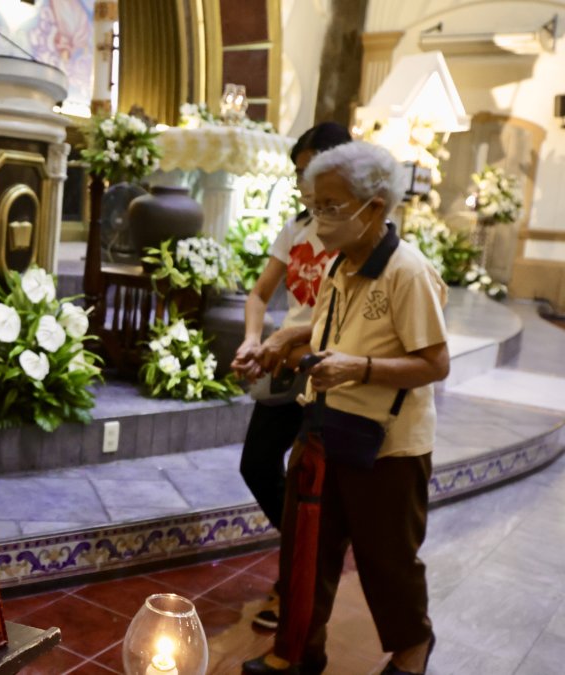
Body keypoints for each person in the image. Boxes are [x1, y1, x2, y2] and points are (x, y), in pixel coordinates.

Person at [243, 142, 448, 675]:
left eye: (332, 207)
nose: (318, 219)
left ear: (373, 207)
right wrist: (284, 341)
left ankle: (411, 649)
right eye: (314, 205)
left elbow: (434, 362)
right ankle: (296, 651)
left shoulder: (407, 272)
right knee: (307, 550)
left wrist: (359, 368)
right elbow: (328, 326)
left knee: (387, 561)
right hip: (325, 426)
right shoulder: (342, 262)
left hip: (388, 444)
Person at [231, 123, 352, 630]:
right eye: (298, 171)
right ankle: (303, 560)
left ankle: (298, 581)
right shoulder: (297, 227)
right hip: (285, 366)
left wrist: (292, 342)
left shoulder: (353, 232)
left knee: (309, 480)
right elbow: (260, 294)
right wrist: (254, 339)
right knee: (258, 464)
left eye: (310, 170)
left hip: (327, 370)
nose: (302, 181)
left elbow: (344, 315)